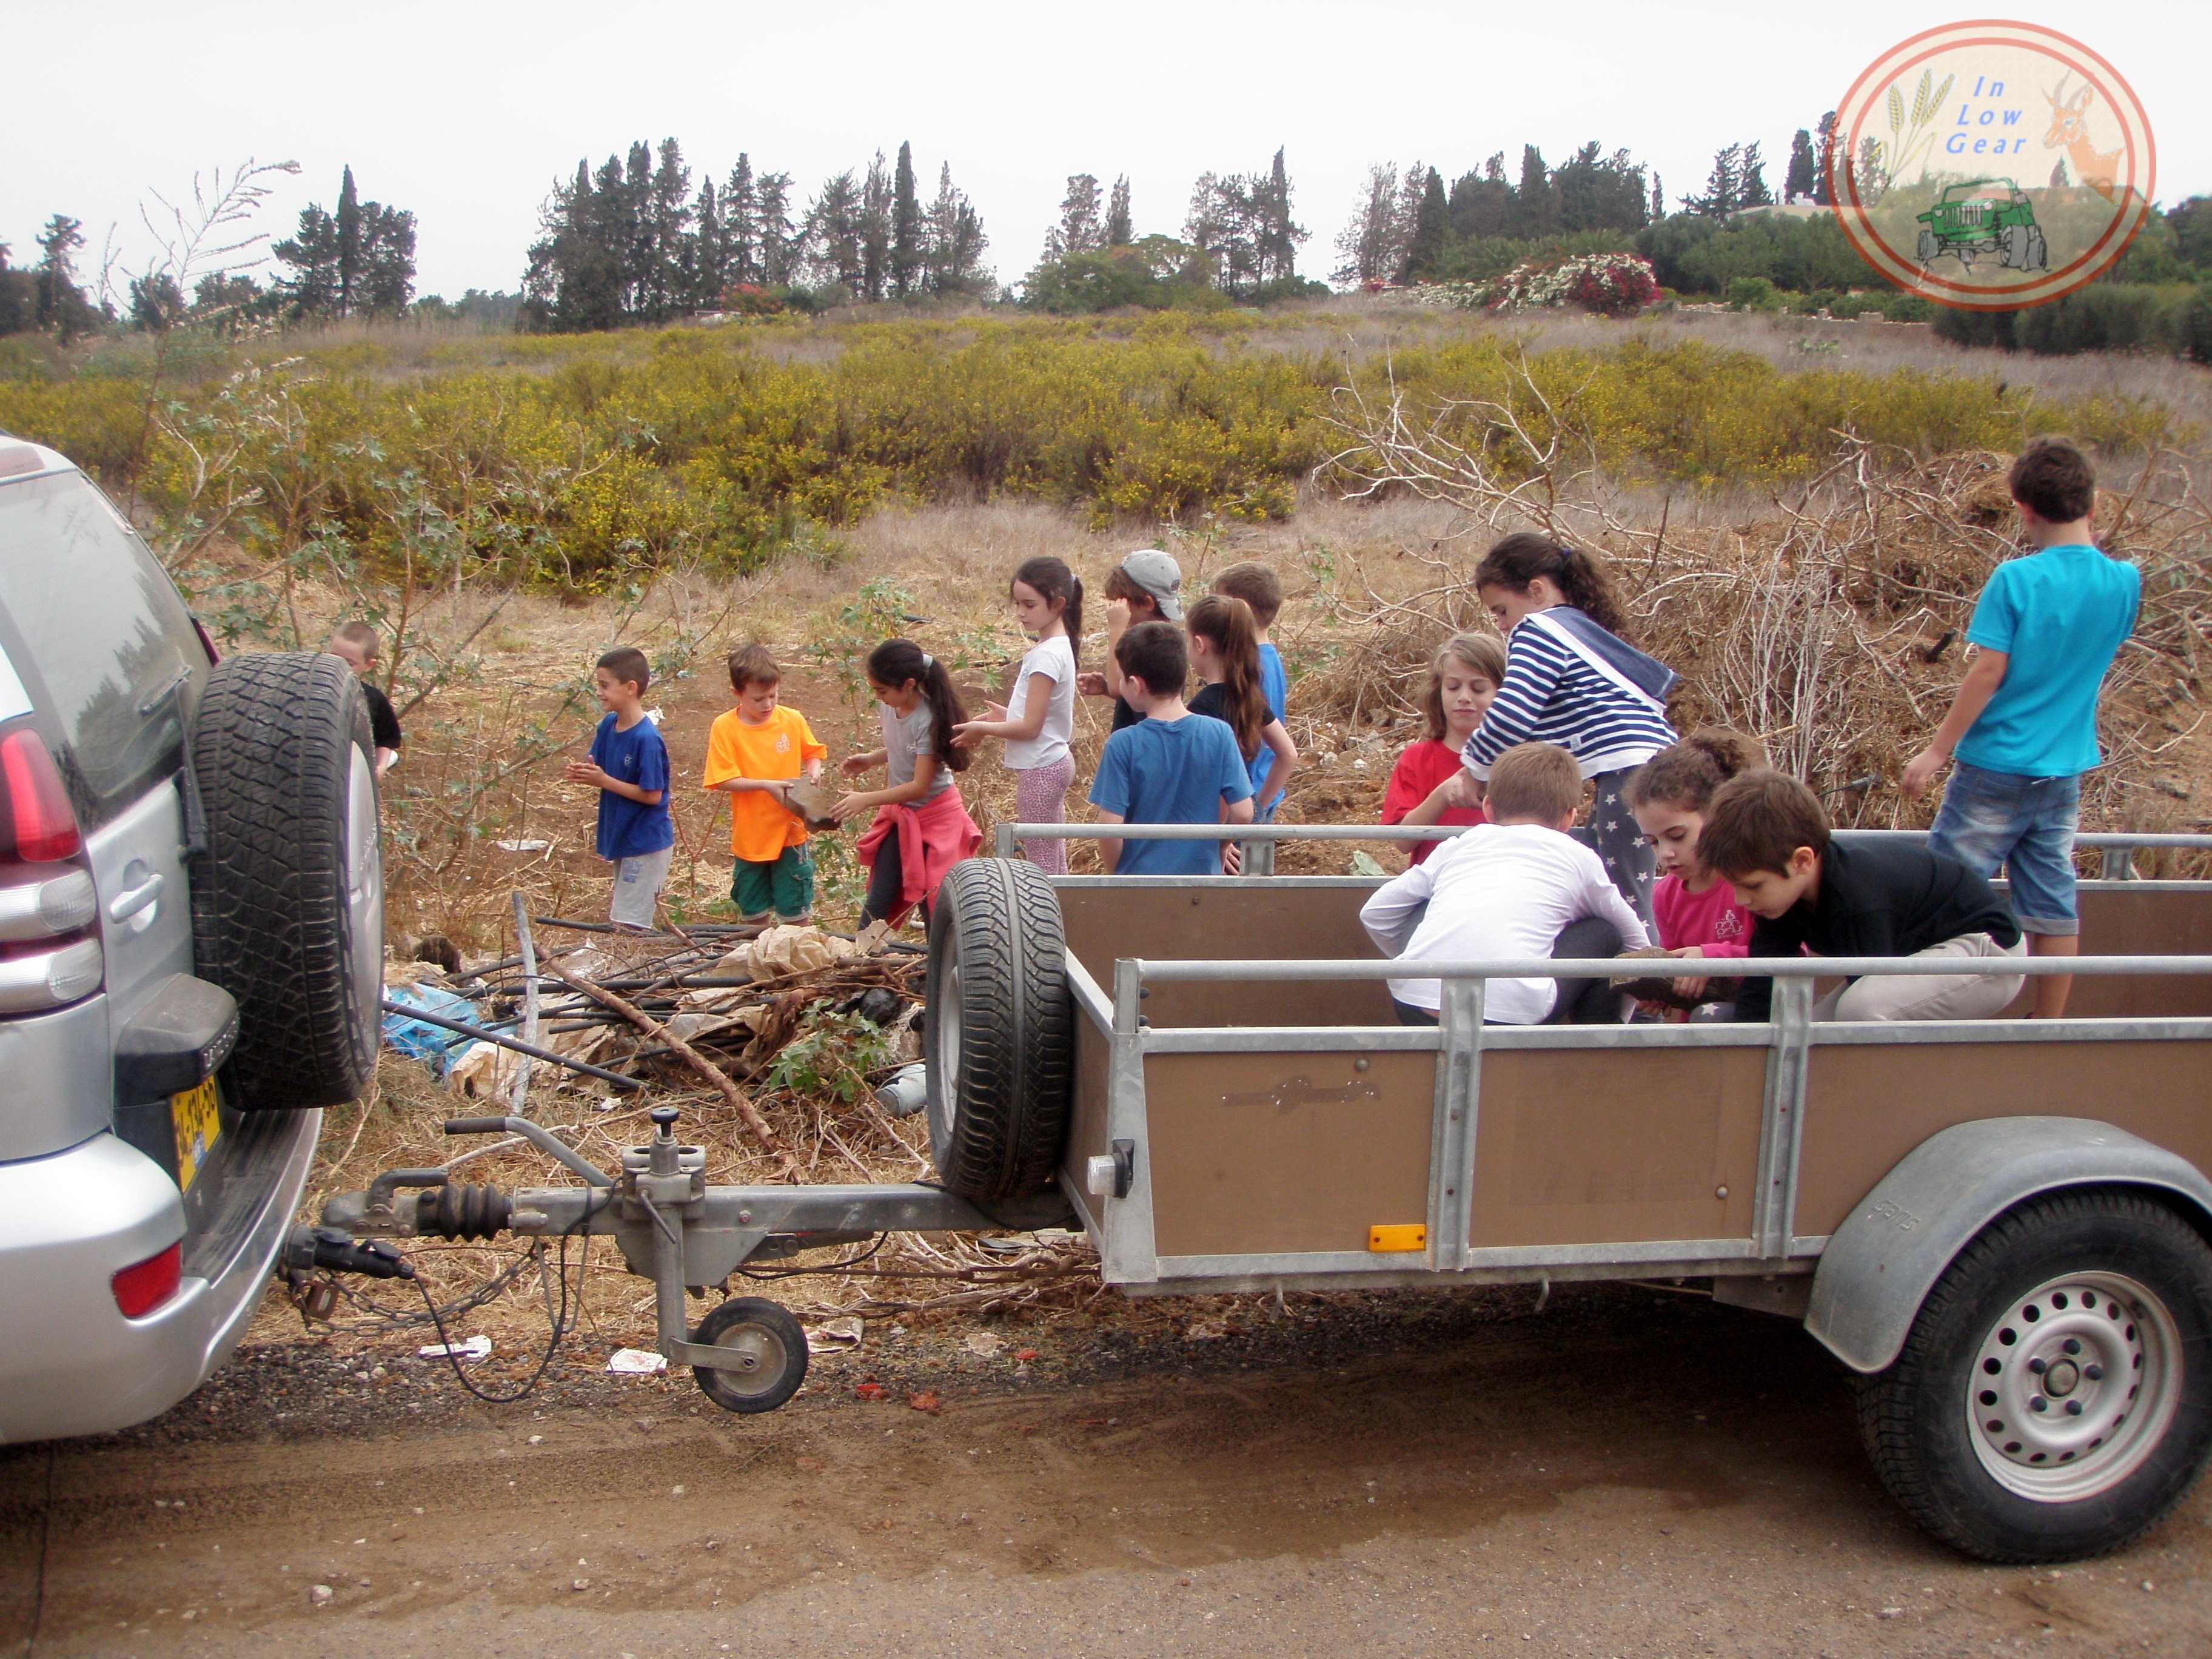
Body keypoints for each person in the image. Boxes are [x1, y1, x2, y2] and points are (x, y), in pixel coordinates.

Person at [1900, 438, 2139, 1019]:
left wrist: (1937, 751)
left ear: (2024, 510)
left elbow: (1989, 671)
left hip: (1995, 765)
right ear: (2093, 503)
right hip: (2063, 769)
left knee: (1943, 893)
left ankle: (1915, 1013)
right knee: (2053, 902)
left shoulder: (2015, 579)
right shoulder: (2124, 581)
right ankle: (2048, 1023)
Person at [1450, 534, 1678, 919]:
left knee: (1625, 900)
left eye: (1501, 611)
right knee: (1602, 880)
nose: (1502, 625)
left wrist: (1474, 768)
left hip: (1628, 770)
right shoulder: (1578, 629)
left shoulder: (1538, 629)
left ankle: (1639, 956)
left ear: (1536, 591)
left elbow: (1513, 713)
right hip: (1644, 765)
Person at [1698, 769, 2025, 1024]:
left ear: (1802, 861)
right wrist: (1748, 1050)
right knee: (1812, 1031)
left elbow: (1871, 991)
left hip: (1988, 953)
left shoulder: (1858, 899)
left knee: (1861, 1011)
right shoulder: (1781, 898)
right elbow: (1764, 981)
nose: (1741, 900)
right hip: (1917, 954)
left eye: (1753, 886)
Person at [1361, 742, 1649, 1027]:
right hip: (1511, 1016)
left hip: (1414, 1004)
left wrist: (1415, 962)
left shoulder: (1459, 845)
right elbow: (1634, 936)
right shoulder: (1579, 857)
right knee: (1605, 932)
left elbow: (1375, 914)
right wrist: (1641, 997)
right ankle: (1598, 1036)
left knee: (1425, 903)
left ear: (1488, 808)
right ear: (1569, 818)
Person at [1087, 620, 1253, 876]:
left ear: (1136, 685)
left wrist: (1116, 875)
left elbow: (1110, 828)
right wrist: (1219, 847)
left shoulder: (1123, 743)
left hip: (1141, 884)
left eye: (1121, 679)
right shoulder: (1219, 734)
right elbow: (1243, 813)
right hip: (1201, 883)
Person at [836, 640, 982, 928]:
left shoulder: (928, 720)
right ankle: (864, 953)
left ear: (909, 685)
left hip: (935, 818)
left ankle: (936, 957)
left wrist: (865, 799)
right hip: (903, 815)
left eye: (882, 691)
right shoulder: (891, 707)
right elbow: (904, 748)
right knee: (879, 899)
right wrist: (871, 759)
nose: (879, 697)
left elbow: (919, 787)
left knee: (933, 902)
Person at [953, 556, 1081, 875]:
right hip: (1052, 760)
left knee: (1042, 862)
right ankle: (1064, 905)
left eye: (1030, 605)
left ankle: (1048, 907)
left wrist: (983, 728)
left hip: (1042, 767)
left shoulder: (1047, 656)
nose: (1021, 612)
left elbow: (1031, 728)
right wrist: (1007, 716)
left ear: (1058, 604)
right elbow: (1040, 718)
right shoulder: (1057, 646)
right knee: (1053, 855)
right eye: (1018, 604)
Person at [1624, 729, 1766, 1018]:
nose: (1665, 853)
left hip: (1756, 1014)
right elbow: (1681, 970)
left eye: (1677, 836)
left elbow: (1793, 956)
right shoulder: (1665, 895)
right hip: (1698, 1023)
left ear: (1718, 817)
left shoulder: (1755, 878)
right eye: (1653, 842)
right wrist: (1666, 988)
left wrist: (1712, 958)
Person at [702, 644, 827, 926]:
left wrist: (814, 770)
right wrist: (766, 786)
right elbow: (723, 779)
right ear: (737, 693)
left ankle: (794, 952)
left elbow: (813, 751)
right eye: (758, 699)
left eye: (773, 695)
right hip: (751, 835)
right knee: (753, 912)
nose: (768, 705)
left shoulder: (792, 719)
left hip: (790, 833)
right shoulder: (725, 727)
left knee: (795, 910)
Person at [1184, 595, 1296, 876]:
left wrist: (1223, 838)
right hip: (1245, 820)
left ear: (1199, 645)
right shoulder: (1250, 696)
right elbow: (1288, 754)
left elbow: (1215, 779)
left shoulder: (1202, 708)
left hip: (1219, 836)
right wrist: (1259, 809)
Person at [565, 646, 672, 934]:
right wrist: (585, 773)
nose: (598, 693)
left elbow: (653, 795)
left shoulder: (646, 739)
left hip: (645, 842)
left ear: (630, 688)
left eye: (605, 686)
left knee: (629, 926)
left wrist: (604, 781)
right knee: (625, 918)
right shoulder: (608, 725)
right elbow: (599, 766)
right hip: (623, 835)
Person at [1381, 634, 1506, 866]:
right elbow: (1402, 842)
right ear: (1438, 692)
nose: (1464, 697)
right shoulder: (1416, 759)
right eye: (1453, 687)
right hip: (1435, 885)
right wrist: (1442, 795)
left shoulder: (1518, 761)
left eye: (1479, 689)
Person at [1210, 560, 1292, 812]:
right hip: (1264, 788)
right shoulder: (1269, 658)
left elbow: (1239, 748)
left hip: (1244, 798)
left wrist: (1256, 809)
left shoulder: (1248, 668)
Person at [1074, 549, 1182, 733]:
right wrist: (1107, 688)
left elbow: (1117, 688)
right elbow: (1146, 698)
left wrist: (1117, 627)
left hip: (1142, 743)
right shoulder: (1168, 639)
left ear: (1147, 603)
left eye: (1122, 603)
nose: (1118, 609)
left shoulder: (1152, 643)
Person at [326, 620, 403, 776]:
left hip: (351, 772)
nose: (339, 667)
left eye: (349, 663)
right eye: (334, 658)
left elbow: (385, 740)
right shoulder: (309, 690)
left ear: (368, 665)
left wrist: (380, 768)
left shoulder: (374, 699)